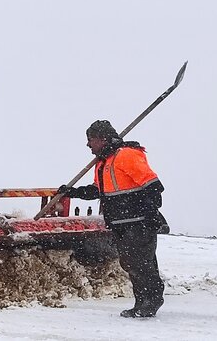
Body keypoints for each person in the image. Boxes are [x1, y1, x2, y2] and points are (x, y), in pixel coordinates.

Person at [58, 120, 166, 318]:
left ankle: (150, 302)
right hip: (121, 223)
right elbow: (98, 191)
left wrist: (150, 213)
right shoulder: (104, 163)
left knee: (140, 263)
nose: (88, 145)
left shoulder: (126, 155)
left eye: (90, 140)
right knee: (131, 263)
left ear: (102, 139)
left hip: (138, 221)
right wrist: (72, 192)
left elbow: (154, 186)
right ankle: (143, 302)